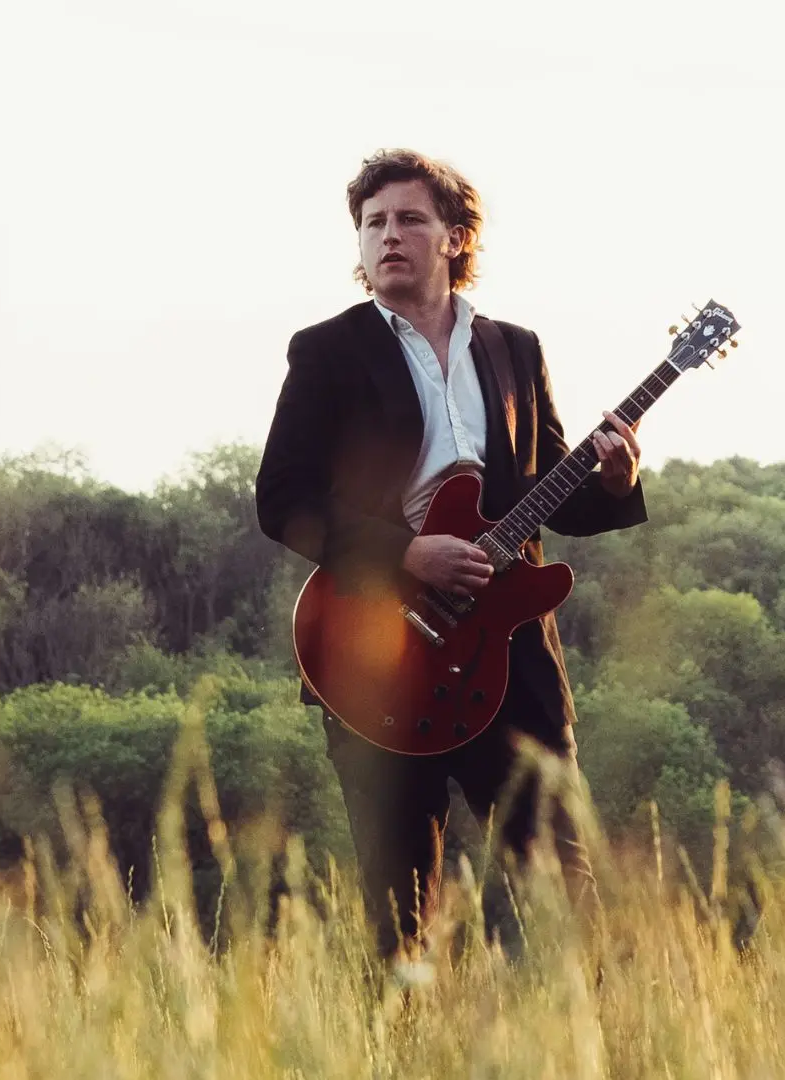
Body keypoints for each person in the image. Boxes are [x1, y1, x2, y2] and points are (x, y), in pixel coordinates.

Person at [254, 148, 647, 959]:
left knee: (566, 895)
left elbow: (552, 493)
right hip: (378, 653)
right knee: (399, 915)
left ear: (456, 237)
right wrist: (409, 556)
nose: (387, 236)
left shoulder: (514, 348)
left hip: (512, 663)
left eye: (409, 219)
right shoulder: (327, 351)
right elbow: (283, 501)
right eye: (373, 224)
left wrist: (613, 480)